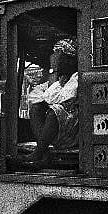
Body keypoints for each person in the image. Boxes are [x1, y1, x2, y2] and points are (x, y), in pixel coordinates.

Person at [14, 38, 80, 169]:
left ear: (69, 60)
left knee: (55, 111)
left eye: (58, 58)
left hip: (76, 126)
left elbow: (63, 98)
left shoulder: (77, 77)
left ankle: (39, 152)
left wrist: (53, 78)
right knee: (36, 108)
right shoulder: (61, 79)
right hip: (63, 125)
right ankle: (43, 152)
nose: (54, 61)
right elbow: (37, 97)